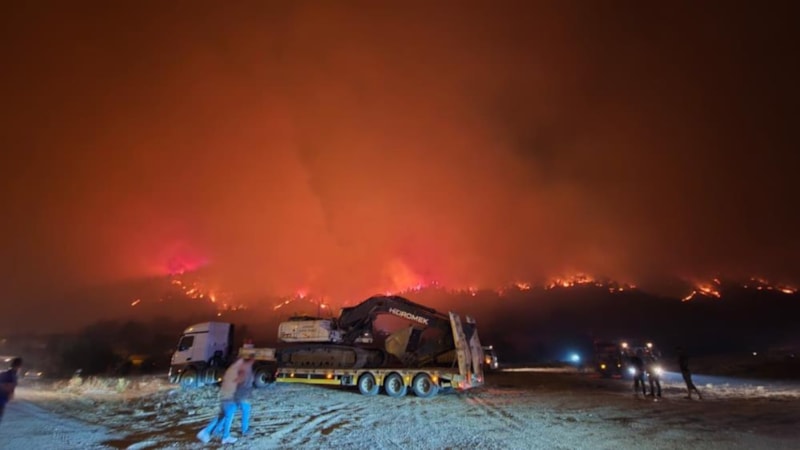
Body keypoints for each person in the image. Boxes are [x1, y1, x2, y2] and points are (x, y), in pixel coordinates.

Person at [197, 351, 256, 444]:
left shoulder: (232, 368)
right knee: (229, 415)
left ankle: (212, 431)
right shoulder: (238, 369)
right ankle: (224, 436)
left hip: (227, 395)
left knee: (223, 415)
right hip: (231, 396)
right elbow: (237, 381)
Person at [0, 357, 23, 424]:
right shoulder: (10, 375)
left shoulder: (13, 375)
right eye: (19, 366)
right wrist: (9, 388)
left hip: (3, 399)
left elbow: (11, 387)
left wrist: (11, 393)